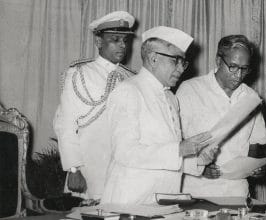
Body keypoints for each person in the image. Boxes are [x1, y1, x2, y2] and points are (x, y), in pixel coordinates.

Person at [101, 26, 216, 204]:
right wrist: (179, 149)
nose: (181, 68)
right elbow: (125, 153)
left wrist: (199, 160)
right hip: (131, 202)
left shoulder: (170, 98)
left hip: (163, 200)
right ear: (153, 58)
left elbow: (168, 159)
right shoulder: (129, 91)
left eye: (183, 62)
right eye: (175, 60)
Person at [53, 11, 136, 200]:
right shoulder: (79, 73)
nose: (122, 45)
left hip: (123, 170)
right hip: (89, 169)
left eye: (125, 40)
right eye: (115, 39)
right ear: (99, 42)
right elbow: (65, 124)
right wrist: (73, 168)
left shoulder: (132, 78)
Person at [176, 35, 266, 197]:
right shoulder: (190, 90)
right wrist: (199, 166)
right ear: (218, 60)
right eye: (233, 66)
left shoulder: (250, 97)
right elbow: (174, 142)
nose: (238, 75)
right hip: (196, 190)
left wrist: (254, 166)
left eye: (244, 68)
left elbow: (255, 143)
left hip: (237, 193)